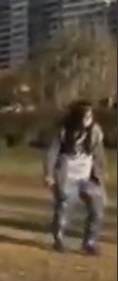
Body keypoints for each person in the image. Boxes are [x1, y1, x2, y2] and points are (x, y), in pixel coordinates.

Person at [44, 100, 107, 255]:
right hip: (67, 174)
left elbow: (99, 153)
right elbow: (52, 153)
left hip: (87, 176)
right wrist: (49, 174)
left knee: (97, 206)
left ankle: (90, 242)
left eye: (91, 115)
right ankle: (59, 239)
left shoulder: (95, 131)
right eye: (85, 115)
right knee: (64, 205)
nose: (89, 118)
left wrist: (101, 173)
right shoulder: (64, 131)